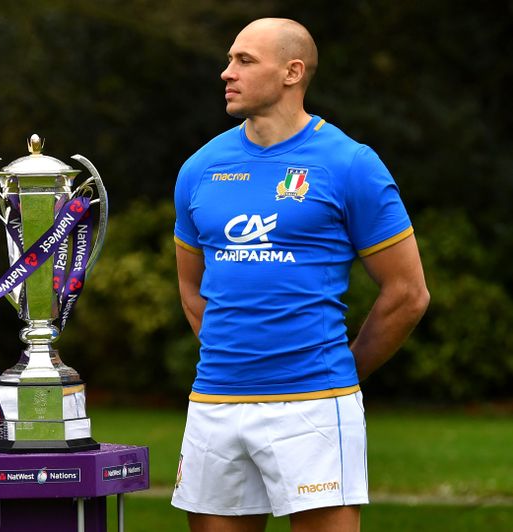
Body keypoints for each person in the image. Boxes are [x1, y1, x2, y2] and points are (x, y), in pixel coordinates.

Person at [170, 18, 429, 532]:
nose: (227, 73)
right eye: (229, 60)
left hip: (313, 404)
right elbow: (190, 288)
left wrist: (344, 370)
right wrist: (238, 354)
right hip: (215, 404)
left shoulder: (351, 164)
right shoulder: (200, 167)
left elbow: (408, 294)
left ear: (292, 72)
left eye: (244, 61)